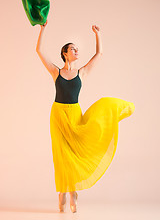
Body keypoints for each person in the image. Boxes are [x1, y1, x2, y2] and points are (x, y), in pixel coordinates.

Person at [36, 20, 135, 213]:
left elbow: (99, 54)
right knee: (61, 155)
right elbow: (39, 51)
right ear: (65, 53)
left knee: (74, 155)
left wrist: (97, 34)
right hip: (57, 116)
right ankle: (63, 191)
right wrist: (43, 28)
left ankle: (71, 191)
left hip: (74, 115)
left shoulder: (82, 72)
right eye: (73, 49)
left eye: (77, 49)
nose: (76, 51)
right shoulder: (56, 71)